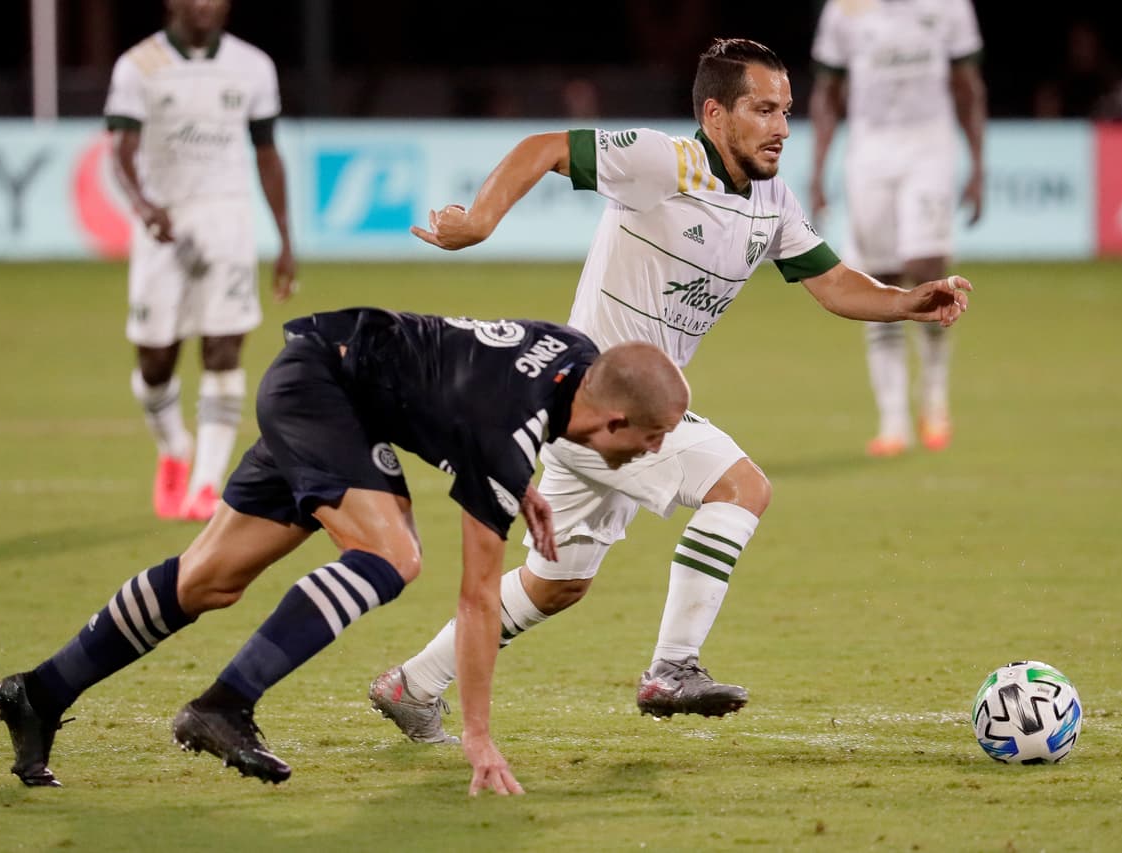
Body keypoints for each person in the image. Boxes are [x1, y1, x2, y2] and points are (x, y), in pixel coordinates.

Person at [368, 38, 972, 745]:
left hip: (609, 416)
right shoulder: (665, 161)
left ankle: (411, 685)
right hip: (601, 400)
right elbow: (544, 146)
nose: (781, 126)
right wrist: (478, 219)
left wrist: (906, 301)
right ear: (715, 114)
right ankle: (673, 666)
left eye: (786, 109)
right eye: (762, 109)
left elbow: (833, 282)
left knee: (557, 582)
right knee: (741, 488)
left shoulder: (772, 199)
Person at [0, 307, 691, 795]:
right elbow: (477, 597)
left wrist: (522, 488)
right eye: (652, 437)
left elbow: (464, 381)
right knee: (392, 556)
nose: (652, 451)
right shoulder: (508, 432)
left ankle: (40, 691)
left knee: (208, 579)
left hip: (327, 378)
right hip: (326, 394)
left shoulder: (573, 356)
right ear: (615, 417)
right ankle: (224, 703)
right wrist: (479, 736)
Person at [105, 0, 297, 521]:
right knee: (155, 360)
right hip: (163, 222)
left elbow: (266, 152)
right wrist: (144, 204)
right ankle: (174, 448)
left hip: (227, 222)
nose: (205, 5)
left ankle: (206, 486)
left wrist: (284, 238)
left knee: (223, 349)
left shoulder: (253, 66)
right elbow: (119, 150)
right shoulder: (138, 66)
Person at [809, 0, 987, 456]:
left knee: (926, 268)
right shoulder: (844, 9)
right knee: (881, 280)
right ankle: (893, 421)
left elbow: (967, 84)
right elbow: (827, 91)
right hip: (869, 151)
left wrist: (978, 163)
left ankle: (934, 396)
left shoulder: (949, 7)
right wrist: (817, 169)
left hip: (929, 145)